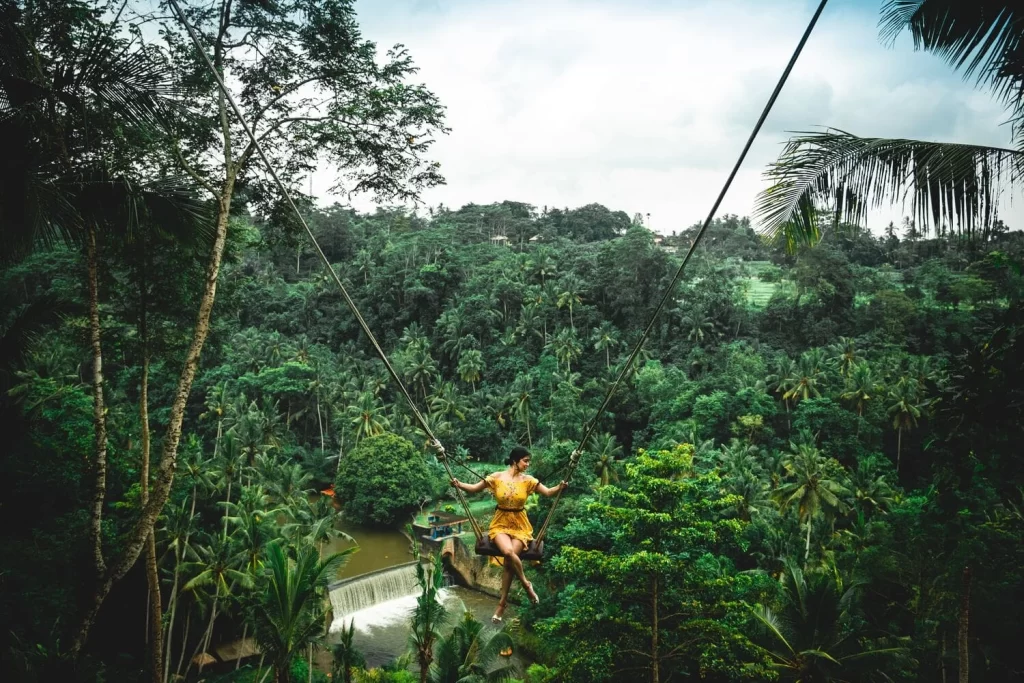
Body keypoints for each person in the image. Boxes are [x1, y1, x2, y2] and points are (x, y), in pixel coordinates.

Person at [450, 446, 567, 623]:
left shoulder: (528, 481)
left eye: (529, 461)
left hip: (520, 525)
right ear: (515, 460)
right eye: (525, 460)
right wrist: (459, 484)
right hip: (500, 524)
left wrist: (560, 486)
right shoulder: (496, 478)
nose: (528, 464)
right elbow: (474, 488)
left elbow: (549, 492)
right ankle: (527, 585)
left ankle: (502, 604)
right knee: (508, 553)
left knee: (509, 563)